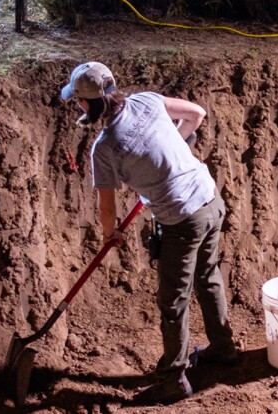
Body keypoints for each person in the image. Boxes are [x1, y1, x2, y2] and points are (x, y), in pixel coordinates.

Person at [61, 61, 237, 405]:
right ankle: (223, 347)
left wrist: (110, 234)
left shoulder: (106, 147)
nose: (78, 106)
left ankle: (173, 378)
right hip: (210, 199)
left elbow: (107, 208)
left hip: (182, 218)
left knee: (173, 300)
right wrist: (176, 148)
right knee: (208, 275)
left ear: (88, 104)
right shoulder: (147, 100)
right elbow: (196, 114)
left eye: (78, 101)